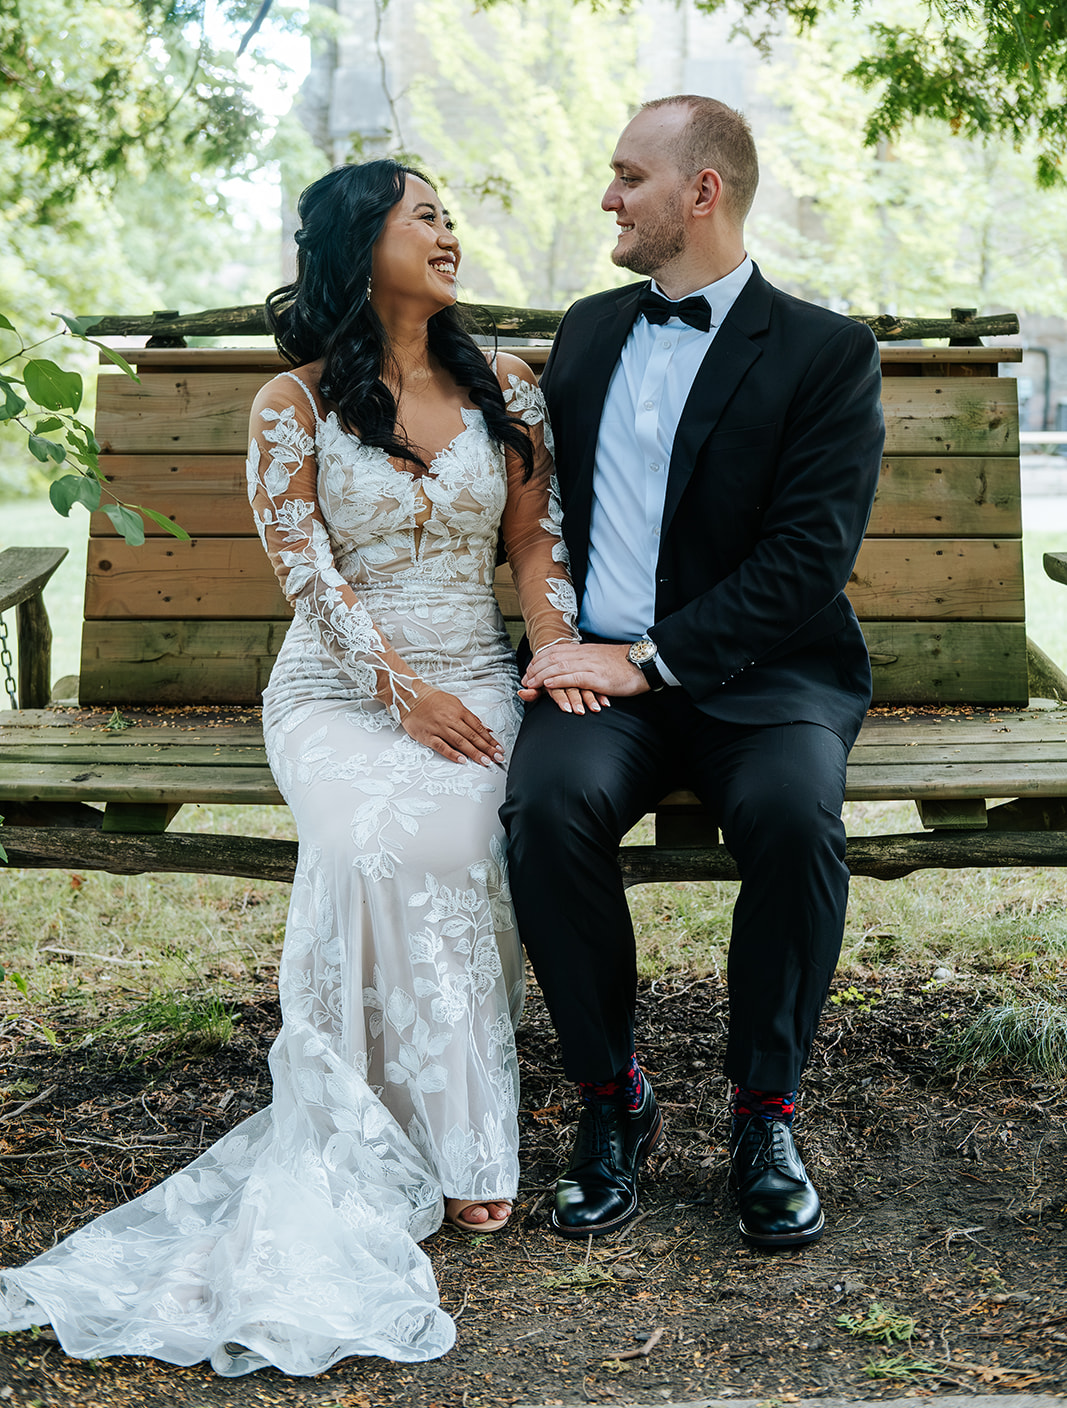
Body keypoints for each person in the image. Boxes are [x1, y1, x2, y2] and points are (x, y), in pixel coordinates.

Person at [0, 160, 584, 1375]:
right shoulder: (292, 403)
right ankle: (352, 1131)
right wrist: (395, 693)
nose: (447, 232)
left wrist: (549, 653)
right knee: (358, 837)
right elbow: (309, 581)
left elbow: (533, 545)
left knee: (445, 836)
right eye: (422, 214)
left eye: (449, 216)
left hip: (472, 679)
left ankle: (465, 1140)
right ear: (355, 243)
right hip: (337, 687)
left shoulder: (508, 391)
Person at [502, 96, 886, 1251]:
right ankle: (611, 1098)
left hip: (765, 678)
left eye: (627, 176)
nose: (608, 198)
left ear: (700, 191)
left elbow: (807, 561)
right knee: (544, 807)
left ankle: (764, 1112)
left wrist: (650, 661)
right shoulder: (586, 330)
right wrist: (573, 645)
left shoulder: (824, 353)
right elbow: (538, 501)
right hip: (596, 680)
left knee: (791, 819)